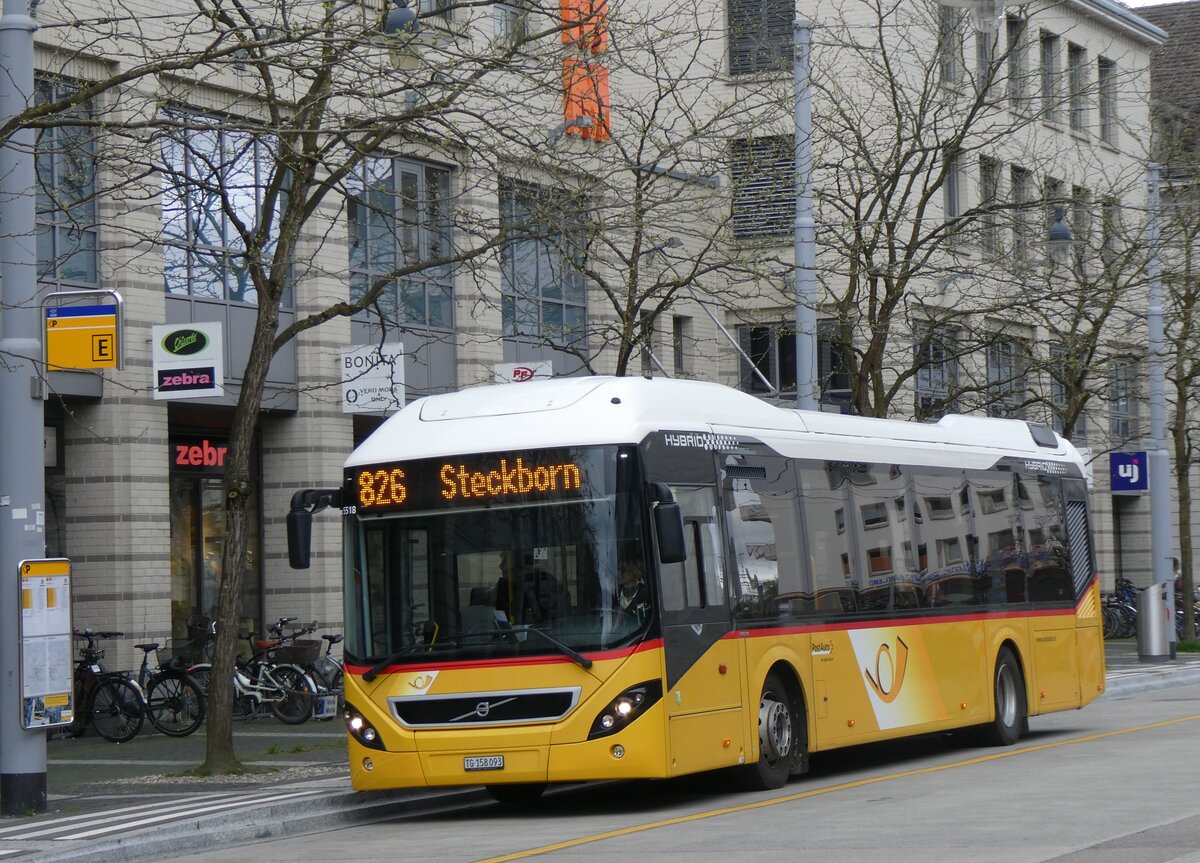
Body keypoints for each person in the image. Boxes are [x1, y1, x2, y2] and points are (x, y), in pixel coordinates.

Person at [617, 550, 651, 623]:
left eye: (623, 570)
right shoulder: (614, 595)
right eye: (618, 569)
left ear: (636, 572)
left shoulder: (646, 595)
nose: (618, 573)